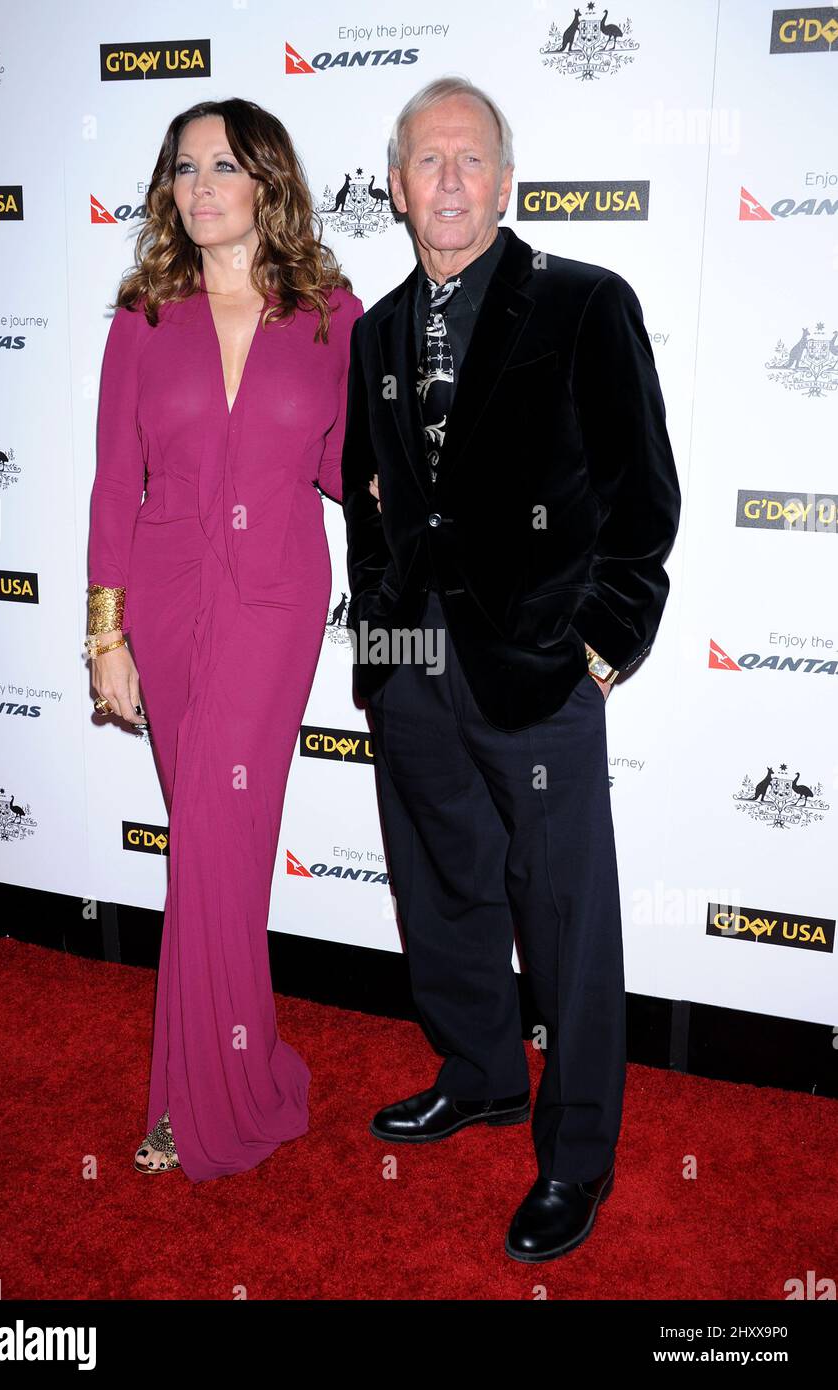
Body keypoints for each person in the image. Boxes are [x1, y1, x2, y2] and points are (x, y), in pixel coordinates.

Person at [342, 76, 680, 1260]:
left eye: (468, 160)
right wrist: (378, 656)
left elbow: (643, 499)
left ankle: (573, 1155)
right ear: (394, 185)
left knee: (564, 915)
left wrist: (600, 642)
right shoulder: (377, 330)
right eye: (423, 162)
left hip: (535, 670)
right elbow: (372, 511)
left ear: (503, 180)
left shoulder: (583, 305)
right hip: (412, 664)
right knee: (439, 889)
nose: (445, 181)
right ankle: (479, 1071)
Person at [86, 98, 362, 1180]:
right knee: (218, 852)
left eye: (224, 167)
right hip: (165, 598)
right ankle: (234, 1077)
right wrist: (105, 632)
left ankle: (192, 1100)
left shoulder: (331, 314)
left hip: (276, 601)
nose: (200, 188)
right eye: (184, 169)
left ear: (267, 184)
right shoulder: (141, 317)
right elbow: (116, 484)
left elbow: (348, 466)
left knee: (214, 837)